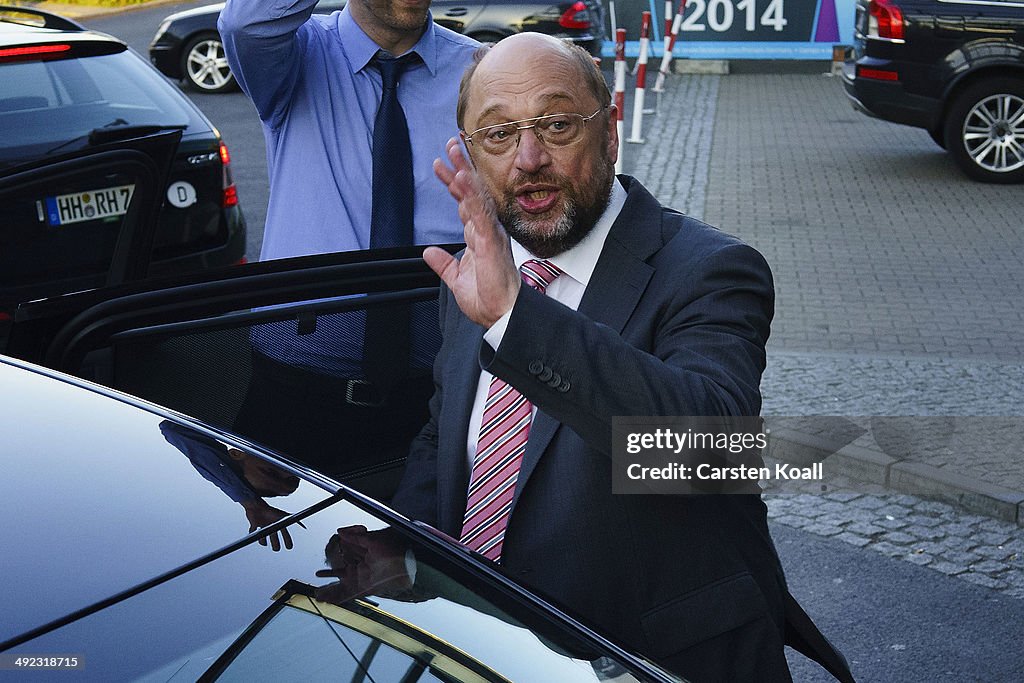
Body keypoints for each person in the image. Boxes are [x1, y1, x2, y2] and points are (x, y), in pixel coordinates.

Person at [389, 33, 796, 681]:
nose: (528, 158)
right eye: (497, 135)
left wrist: (518, 320)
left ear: (609, 131)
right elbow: (444, 436)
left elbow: (708, 453)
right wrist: (404, 554)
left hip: (647, 660)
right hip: (483, 651)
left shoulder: (710, 270)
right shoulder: (476, 267)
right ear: (466, 154)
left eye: (555, 124)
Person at [217, 0, 479, 484]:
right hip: (296, 387)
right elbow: (243, 21)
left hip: (439, 389)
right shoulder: (297, 54)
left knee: (425, 553)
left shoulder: (477, 72)